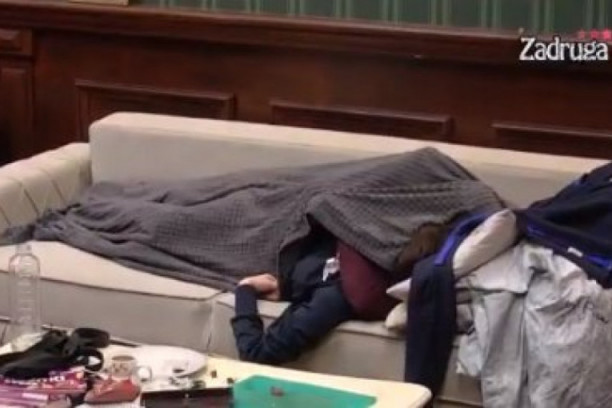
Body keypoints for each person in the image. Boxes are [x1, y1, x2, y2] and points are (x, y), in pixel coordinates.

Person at [231, 222, 449, 365]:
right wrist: (286, 287)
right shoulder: (354, 234)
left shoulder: (339, 298)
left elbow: (256, 353)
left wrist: (245, 290)